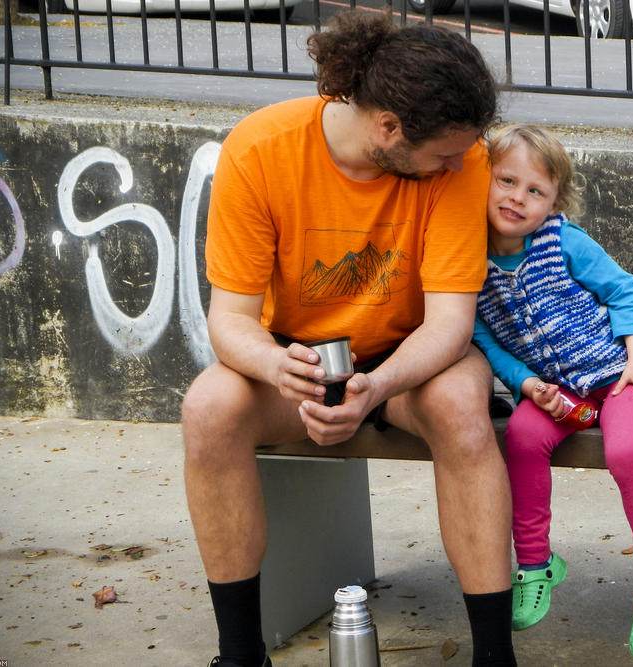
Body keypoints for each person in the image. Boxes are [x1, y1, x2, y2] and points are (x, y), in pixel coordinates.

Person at [182, 10, 517, 667]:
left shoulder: (464, 157)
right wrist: (281, 368)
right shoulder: (259, 149)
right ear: (389, 129)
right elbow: (229, 322)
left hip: (409, 360)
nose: (462, 163)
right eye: (445, 153)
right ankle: (240, 653)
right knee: (209, 408)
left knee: (459, 408)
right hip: (295, 356)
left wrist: (377, 385)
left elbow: (449, 323)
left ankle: (495, 655)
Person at [472, 124, 633, 660]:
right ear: (482, 179)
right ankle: (536, 564)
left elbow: (624, 291)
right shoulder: (468, 258)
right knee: (519, 437)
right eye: (506, 181)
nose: (518, 197)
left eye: (535, 190)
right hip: (554, 392)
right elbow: (483, 338)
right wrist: (526, 384)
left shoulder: (563, 241)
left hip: (621, 374)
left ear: (554, 202)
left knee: (628, 452)